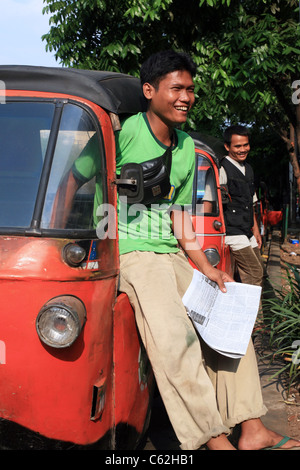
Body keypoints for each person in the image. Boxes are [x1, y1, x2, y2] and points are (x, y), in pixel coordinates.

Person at [52, 50, 300, 451]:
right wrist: (65, 237)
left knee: (229, 322)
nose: (186, 96)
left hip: (171, 253)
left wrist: (207, 269)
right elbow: (71, 180)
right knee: (174, 339)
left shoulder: (187, 148)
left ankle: (252, 428)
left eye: (190, 89)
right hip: (131, 254)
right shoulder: (126, 132)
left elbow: (181, 222)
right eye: (176, 88)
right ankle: (214, 438)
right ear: (149, 91)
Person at [220, 125, 265, 287]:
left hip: (247, 230)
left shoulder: (248, 168)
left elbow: (250, 202)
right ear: (227, 147)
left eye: (245, 145)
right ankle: (251, 313)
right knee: (254, 272)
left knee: (259, 270)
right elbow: (214, 201)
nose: (243, 149)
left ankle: (256, 312)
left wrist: (255, 230)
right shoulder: (222, 168)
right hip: (232, 232)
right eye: (237, 146)